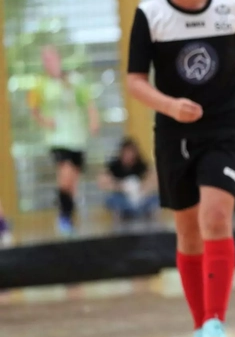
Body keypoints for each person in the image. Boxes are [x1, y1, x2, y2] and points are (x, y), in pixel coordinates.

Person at [126, 0, 235, 337]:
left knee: (216, 218)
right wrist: (169, 106)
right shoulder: (150, 17)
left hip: (223, 130)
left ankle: (215, 323)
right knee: (187, 232)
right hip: (174, 134)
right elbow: (134, 81)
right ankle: (199, 323)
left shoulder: (230, 8)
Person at [29, 46, 99, 235]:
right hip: (57, 138)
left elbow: (89, 103)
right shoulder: (40, 85)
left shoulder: (75, 81)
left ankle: (67, 214)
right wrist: (44, 120)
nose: (48, 62)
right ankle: (64, 215)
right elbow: (33, 109)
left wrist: (93, 121)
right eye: (45, 59)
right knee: (65, 175)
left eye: (51, 58)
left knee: (72, 183)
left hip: (77, 137)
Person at [99, 137, 160, 221]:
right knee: (112, 199)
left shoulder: (141, 165)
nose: (129, 155)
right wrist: (120, 186)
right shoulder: (115, 166)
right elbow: (103, 181)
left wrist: (144, 188)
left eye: (131, 152)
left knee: (156, 199)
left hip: (141, 199)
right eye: (126, 152)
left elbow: (154, 178)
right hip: (123, 200)